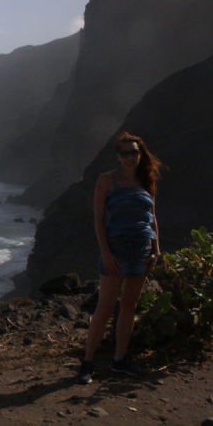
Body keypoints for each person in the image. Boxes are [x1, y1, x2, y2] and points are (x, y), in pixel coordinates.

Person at [76, 132, 164, 384]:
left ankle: (119, 360)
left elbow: (152, 216)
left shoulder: (147, 179)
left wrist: (156, 248)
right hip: (116, 249)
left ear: (140, 154)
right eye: (125, 153)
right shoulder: (107, 180)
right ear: (117, 156)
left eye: (134, 152)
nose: (130, 157)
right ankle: (87, 363)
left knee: (129, 306)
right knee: (104, 307)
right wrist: (106, 252)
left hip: (142, 250)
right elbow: (98, 219)